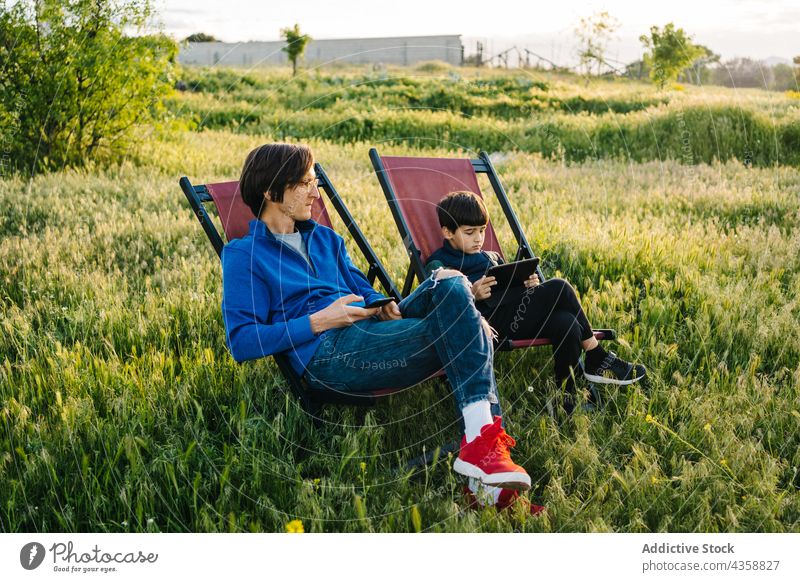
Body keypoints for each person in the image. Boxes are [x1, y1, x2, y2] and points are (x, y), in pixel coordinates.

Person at [220, 143, 540, 511]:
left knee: (448, 280)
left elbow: (362, 288)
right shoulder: (243, 255)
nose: (315, 192)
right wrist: (321, 320)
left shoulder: (326, 239)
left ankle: (480, 447)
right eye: (304, 183)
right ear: (271, 191)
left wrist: (380, 303)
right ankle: (486, 463)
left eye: (314, 182)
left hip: (369, 327)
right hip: (329, 352)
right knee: (465, 327)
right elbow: (242, 341)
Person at [424, 191, 647, 414]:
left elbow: (509, 288)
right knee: (559, 286)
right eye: (469, 232)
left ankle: (565, 398)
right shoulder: (439, 264)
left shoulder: (490, 257)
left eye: (482, 231)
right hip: (484, 326)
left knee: (567, 323)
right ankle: (596, 356)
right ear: (447, 232)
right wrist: (470, 293)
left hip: (515, 317)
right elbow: (433, 303)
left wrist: (527, 284)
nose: (478, 239)